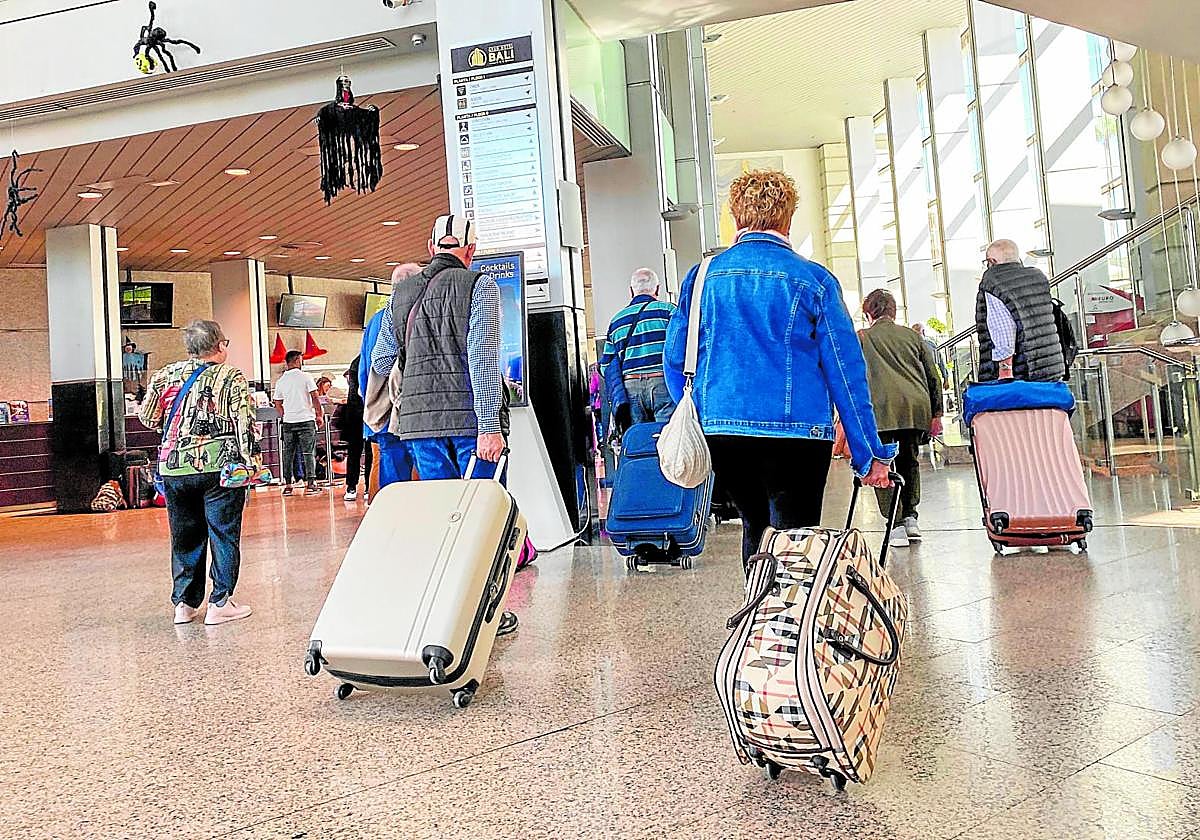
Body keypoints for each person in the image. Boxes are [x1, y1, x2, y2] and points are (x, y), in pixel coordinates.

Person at [664, 170, 895, 566]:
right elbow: (847, 373)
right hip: (798, 437)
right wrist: (867, 453)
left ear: (736, 219)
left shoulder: (701, 278)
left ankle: (756, 619)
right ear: (788, 219)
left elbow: (675, 358)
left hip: (724, 433)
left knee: (755, 524)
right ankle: (786, 622)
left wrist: (701, 413)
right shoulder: (814, 280)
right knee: (795, 539)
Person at [389, 213, 517, 635]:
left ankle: (443, 610)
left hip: (419, 424)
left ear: (430, 249)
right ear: (470, 251)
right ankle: (485, 612)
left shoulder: (402, 289)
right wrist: (489, 426)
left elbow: (378, 361)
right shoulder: (479, 285)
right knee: (479, 518)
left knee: (441, 515)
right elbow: (481, 360)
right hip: (468, 422)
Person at [139, 320, 257, 626]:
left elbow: (148, 417)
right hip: (218, 468)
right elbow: (243, 423)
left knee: (185, 535)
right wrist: (250, 462)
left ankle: (184, 605)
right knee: (223, 533)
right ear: (219, 345)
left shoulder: (166, 374)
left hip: (174, 469)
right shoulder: (231, 376)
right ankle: (220, 603)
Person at [861, 290, 944, 548]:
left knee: (882, 465)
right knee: (909, 461)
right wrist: (936, 413)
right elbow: (933, 376)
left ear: (868, 313)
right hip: (914, 408)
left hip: (881, 410)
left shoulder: (862, 339)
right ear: (894, 312)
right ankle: (911, 518)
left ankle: (894, 525)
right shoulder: (912, 336)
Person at [365, 262, 424, 492]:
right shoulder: (413, 312)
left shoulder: (374, 320)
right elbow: (380, 362)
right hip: (405, 412)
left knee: (388, 479)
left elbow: (367, 369)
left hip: (381, 414)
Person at [599, 268, 678, 434]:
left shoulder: (617, 321)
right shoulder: (668, 311)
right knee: (668, 437)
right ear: (657, 289)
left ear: (631, 291)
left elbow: (605, 366)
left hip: (631, 387)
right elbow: (680, 348)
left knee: (639, 438)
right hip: (662, 383)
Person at [977, 238, 1066, 382]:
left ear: (991, 261)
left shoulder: (993, 281)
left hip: (1021, 374)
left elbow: (1004, 331)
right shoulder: (1037, 276)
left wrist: (1005, 374)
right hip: (1051, 367)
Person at [273, 350, 324, 496]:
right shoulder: (306, 377)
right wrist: (319, 415)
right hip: (306, 420)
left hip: (289, 422)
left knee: (288, 454)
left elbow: (277, 402)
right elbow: (315, 397)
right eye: (301, 360)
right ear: (296, 361)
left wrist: (285, 415)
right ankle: (311, 484)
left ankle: (288, 485)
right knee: (308, 452)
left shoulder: (281, 380)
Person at [339, 356, 367, 502]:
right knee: (370, 452)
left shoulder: (355, 362)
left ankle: (351, 487)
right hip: (366, 412)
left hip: (354, 413)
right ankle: (369, 487)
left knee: (354, 453)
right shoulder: (366, 359)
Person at [911, 322, 948, 388]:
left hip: (919, 379)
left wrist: (945, 378)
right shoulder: (930, 344)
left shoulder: (911, 345)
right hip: (928, 376)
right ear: (923, 332)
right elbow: (940, 362)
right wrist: (945, 378)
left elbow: (940, 361)